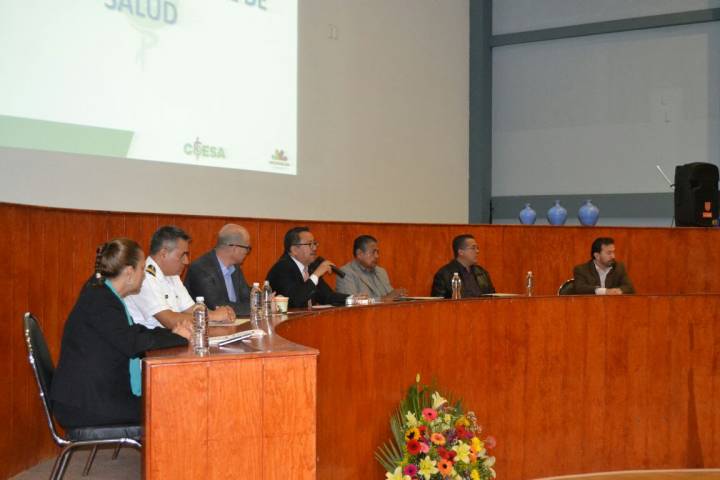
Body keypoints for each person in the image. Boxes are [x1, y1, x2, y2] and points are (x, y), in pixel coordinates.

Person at [50, 238, 192, 428]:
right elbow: (133, 343)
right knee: (171, 406)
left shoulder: (102, 291)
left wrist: (173, 333)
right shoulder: (100, 300)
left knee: (169, 399)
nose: (144, 275)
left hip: (93, 394)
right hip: (86, 404)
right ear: (129, 272)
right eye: (142, 269)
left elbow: (133, 331)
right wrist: (177, 337)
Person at [125, 225, 234, 329]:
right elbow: (169, 320)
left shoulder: (172, 275)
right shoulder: (145, 277)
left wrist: (221, 314)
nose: (186, 261)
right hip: (151, 338)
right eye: (182, 255)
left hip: (171, 336)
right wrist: (212, 316)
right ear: (164, 254)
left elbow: (190, 309)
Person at [266, 226, 348, 308]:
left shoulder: (309, 268)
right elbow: (295, 301)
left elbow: (328, 296)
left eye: (314, 243)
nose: (315, 248)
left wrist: (352, 298)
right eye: (309, 244)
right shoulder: (282, 268)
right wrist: (316, 275)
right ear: (294, 250)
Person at [185, 224, 252, 316]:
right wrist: (258, 307)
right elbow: (216, 305)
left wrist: (264, 301)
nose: (247, 252)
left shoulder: (235, 267)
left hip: (233, 321)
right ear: (235, 248)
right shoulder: (201, 268)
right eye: (247, 248)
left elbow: (247, 297)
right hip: (207, 323)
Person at [335, 235, 406, 300]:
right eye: (373, 252)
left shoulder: (381, 272)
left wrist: (397, 296)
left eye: (377, 252)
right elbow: (351, 303)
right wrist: (384, 299)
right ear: (359, 254)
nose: (377, 256)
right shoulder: (346, 273)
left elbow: (390, 296)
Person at [431, 234, 495, 298]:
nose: (477, 251)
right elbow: (438, 302)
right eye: (473, 248)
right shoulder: (444, 274)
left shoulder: (481, 272)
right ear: (461, 252)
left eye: (477, 248)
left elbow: (492, 297)